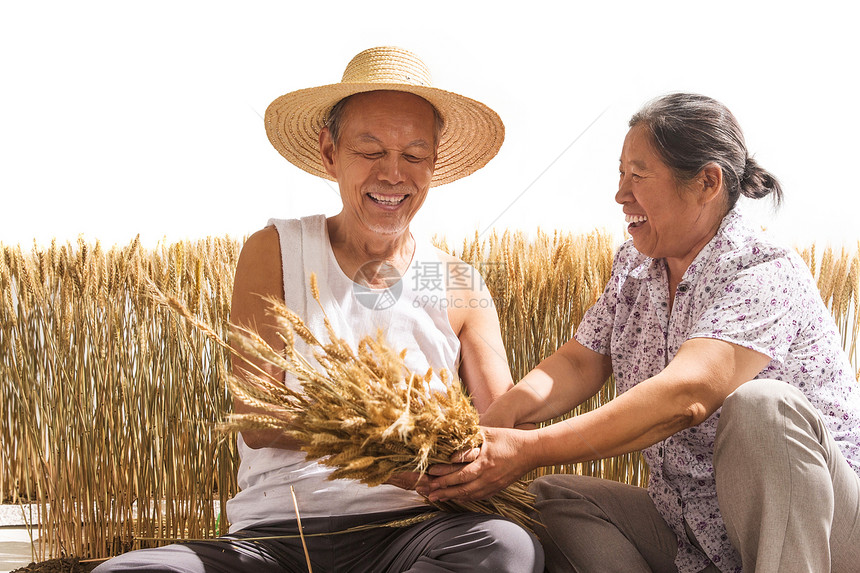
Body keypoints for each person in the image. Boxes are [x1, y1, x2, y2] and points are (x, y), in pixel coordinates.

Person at [94, 47, 543, 572]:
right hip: (276, 537)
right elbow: (258, 416)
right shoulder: (277, 250)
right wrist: (389, 452)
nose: (393, 173)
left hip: (414, 532)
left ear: (435, 162)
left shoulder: (460, 282)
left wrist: (470, 456)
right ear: (330, 152)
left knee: (507, 549)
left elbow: (502, 430)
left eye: (415, 155)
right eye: (370, 150)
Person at [420, 93, 860, 573]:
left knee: (763, 409)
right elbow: (579, 362)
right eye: (620, 174)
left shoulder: (762, 269)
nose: (621, 194)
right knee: (553, 498)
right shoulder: (635, 266)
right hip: (696, 532)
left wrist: (529, 450)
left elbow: (687, 394)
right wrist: (492, 429)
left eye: (639, 175)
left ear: (707, 182)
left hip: (827, 534)